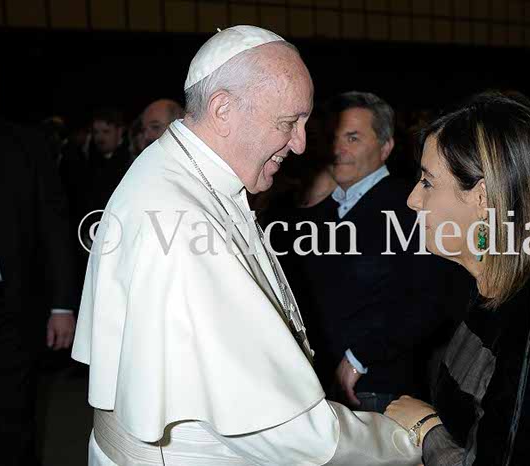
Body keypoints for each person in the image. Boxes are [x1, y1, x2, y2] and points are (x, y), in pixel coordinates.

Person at [72, 25, 420, 466]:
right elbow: (285, 430)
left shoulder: (175, 170)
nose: (300, 144)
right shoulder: (183, 218)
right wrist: (409, 440)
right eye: (288, 123)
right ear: (222, 110)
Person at [385, 93, 530, 465]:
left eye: (428, 182)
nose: (413, 199)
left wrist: (425, 427)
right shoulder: (489, 292)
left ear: (483, 198)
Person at [289, 91, 470, 413]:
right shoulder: (318, 209)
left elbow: (430, 301)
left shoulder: (410, 208)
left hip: (378, 391)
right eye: (334, 137)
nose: (338, 149)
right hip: (314, 391)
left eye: (353, 138)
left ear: (385, 147)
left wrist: (359, 357)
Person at [0, 46, 77, 466]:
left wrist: (62, 306)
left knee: (15, 422)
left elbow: (54, 226)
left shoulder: (27, 143)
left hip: (14, 308)